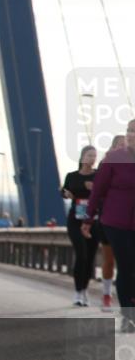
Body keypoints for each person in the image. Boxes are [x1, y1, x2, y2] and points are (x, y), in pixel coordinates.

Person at [84, 120, 135, 330]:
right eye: (129, 131)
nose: (131, 135)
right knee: (126, 267)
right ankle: (128, 316)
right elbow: (97, 191)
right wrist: (88, 219)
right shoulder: (114, 159)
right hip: (116, 222)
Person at [62, 146, 99, 306]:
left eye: (94, 156)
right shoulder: (72, 176)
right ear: (82, 157)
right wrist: (66, 193)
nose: (92, 159)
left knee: (90, 258)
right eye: (89, 155)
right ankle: (77, 292)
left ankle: (84, 290)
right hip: (75, 220)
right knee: (81, 254)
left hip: (92, 221)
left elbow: (106, 194)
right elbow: (64, 190)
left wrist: (95, 188)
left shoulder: (98, 176)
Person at [97, 134, 126, 308]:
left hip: (128, 221)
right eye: (120, 145)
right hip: (108, 219)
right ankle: (107, 294)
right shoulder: (106, 165)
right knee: (110, 260)